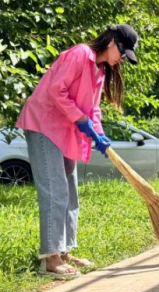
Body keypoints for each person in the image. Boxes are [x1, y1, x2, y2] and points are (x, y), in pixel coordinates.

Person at [15, 24, 139, 278]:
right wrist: (79, 118)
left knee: (70, 192)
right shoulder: (80, 54)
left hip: (65, 130)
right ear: (112, 41)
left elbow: (92, 109)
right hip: (44, 125)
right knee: (55, 189)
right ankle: (50, 259)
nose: (122, 59)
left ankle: (64, 251)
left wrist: (99, 133)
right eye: (123, 53)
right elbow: (55, 89)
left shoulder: (100, 71)